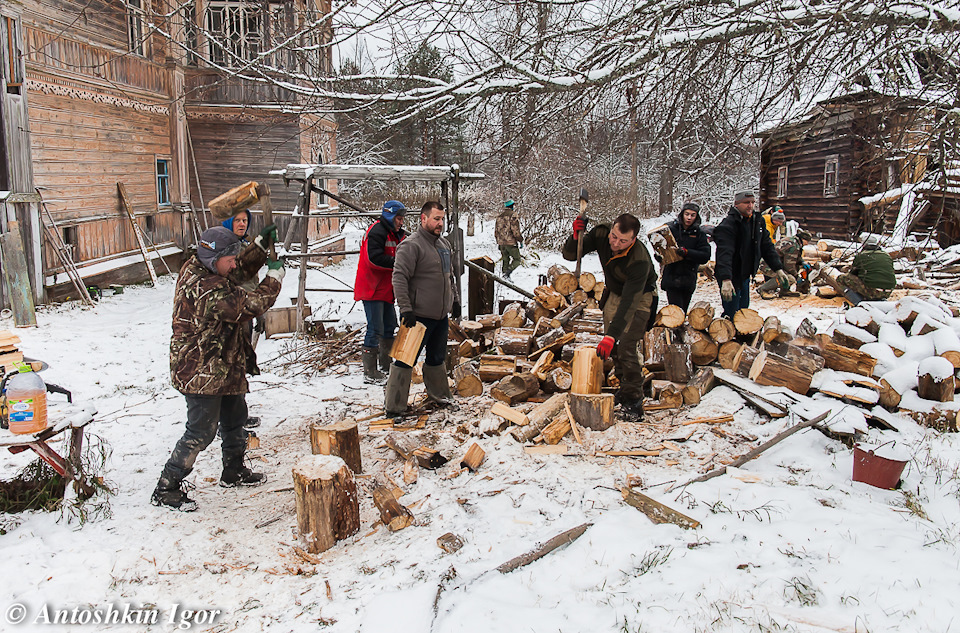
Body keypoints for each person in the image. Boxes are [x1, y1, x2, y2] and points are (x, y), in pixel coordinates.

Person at [151, 225, 284, 512]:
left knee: (236, 418)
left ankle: (233, 470)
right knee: (201, 431)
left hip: (223, 362)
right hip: (200, 369)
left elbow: (235, 269)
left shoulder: (207, 265)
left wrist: (259, 247)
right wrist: (274, 277)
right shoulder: (205, 287)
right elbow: (250, 304)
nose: (235, 263)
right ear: (214, 259)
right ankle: (167, 485)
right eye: (230, 258)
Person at [562, 213, 656, 419]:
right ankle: (624, 385)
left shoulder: (639, 259)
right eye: (614, 237)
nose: (615, 243)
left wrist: (612, 335)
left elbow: (630, 302)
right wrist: (576, 236)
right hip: (614, 290)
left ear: (634, 239)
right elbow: (570, 254)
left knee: (626, 346)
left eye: (623, 241)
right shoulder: (603, 232)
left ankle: (634, 401)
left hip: (639, 296)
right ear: (612, 228)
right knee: (613, 348)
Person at [384, 201, 461, 417]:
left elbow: (450, 276)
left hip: (440, 316)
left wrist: (454, 300)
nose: (440, 223)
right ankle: (394, 407)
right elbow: (399, 278)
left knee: (436, 358)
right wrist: (406, 309)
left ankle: (440, 397)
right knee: (404, 361)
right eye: (436, 219)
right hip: (417, 317)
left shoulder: (444, 245)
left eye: (442, 219)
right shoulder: (411, 245)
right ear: (423, 218)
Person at [354, 200, 408, 385]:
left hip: (385, 289)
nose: (402, 222)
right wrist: (398, 264)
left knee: (389, 325)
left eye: (402, 219)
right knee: (375, 327)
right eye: (399, 218)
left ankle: (386, 365)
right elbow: (373, 259)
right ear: (390, 216)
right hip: (372, 287)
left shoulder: (396, 233)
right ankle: (370, 371)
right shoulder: (377, 231)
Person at [713, 191, 786, 319]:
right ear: (737, 204)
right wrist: (726, 279)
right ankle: (727, 334)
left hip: (745, 274)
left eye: (752, 202)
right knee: (732, 312)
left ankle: (741, 337)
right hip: (731, 275)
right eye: (746, 203)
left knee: (743, 311)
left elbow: (767, 246)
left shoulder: (757, 222)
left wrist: (778, 268)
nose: (750, 206)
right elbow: (724, 254)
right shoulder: (728, 225)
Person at [657, 202, 710, 313]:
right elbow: (661, 247)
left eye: (692, 215)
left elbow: (705, 256)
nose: (689, 218)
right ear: (682, 214)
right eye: (687, 214)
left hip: (688, 277)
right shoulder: (670, 228)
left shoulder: (699, 234)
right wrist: (660, 257)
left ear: (696, 216)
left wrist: (687, 253)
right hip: (672, 276)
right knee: (676, 311)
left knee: (683, 311)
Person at [837, 235, 896, 302]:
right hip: (888, 290)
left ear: (863, 245)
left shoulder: (861, 256)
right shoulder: (886, 255)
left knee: (842, 278)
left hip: (871, 289)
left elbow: (853, 274)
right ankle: (879, 300)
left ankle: (859, 303)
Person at [758, 230, 813, 299]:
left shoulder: (793, 241)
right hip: (768, 266)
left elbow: (795, 257)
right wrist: (796, 276)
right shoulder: (793, 246)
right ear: (803, 239)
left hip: (773, 264)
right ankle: (763, 289)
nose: (807, 244)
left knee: (795, 269)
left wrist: (802, 262)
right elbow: (789, 266)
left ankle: (784, 290)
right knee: (790, 279)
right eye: (807, 241)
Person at [495, 199, 524, 279]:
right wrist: (520, 240)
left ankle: (504, 277)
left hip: (501, 243)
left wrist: (498, 241)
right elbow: (515, 230)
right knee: (517, 260)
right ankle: (507, 274)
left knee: (505, 259)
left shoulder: (499, 216)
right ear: (512, 206)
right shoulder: (513, 215)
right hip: (511, 242)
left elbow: (496, 231)